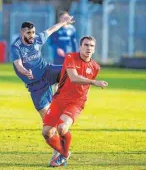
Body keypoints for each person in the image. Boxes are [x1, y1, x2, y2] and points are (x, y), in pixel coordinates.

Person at [10, 15, 74, 161]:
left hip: (47, 71)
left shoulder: (38, 39)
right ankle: (59, 151)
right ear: (22, 33)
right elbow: (18, 64)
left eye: (33, 32)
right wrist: (23, 70)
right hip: (35, 86)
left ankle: (65, 95)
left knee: (68, 69)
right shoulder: (16, 47)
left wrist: (63, 22)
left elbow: (51, 30)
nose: (32, 35)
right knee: (49, 126)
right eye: (28, 33)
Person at [42, 36, 108, 167]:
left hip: (76, 103)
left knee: (62, 127)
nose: (89, 48)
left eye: (91, 46)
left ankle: (63, 156)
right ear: (80, 46)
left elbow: (86, 87)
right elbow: (73, 77)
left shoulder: (95, 67)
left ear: (94, 49)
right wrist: (94, 82)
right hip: (59, 99)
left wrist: (84, 100)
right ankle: (64, 152)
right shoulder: (70, 57)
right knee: (47, 133)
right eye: (86, 45)